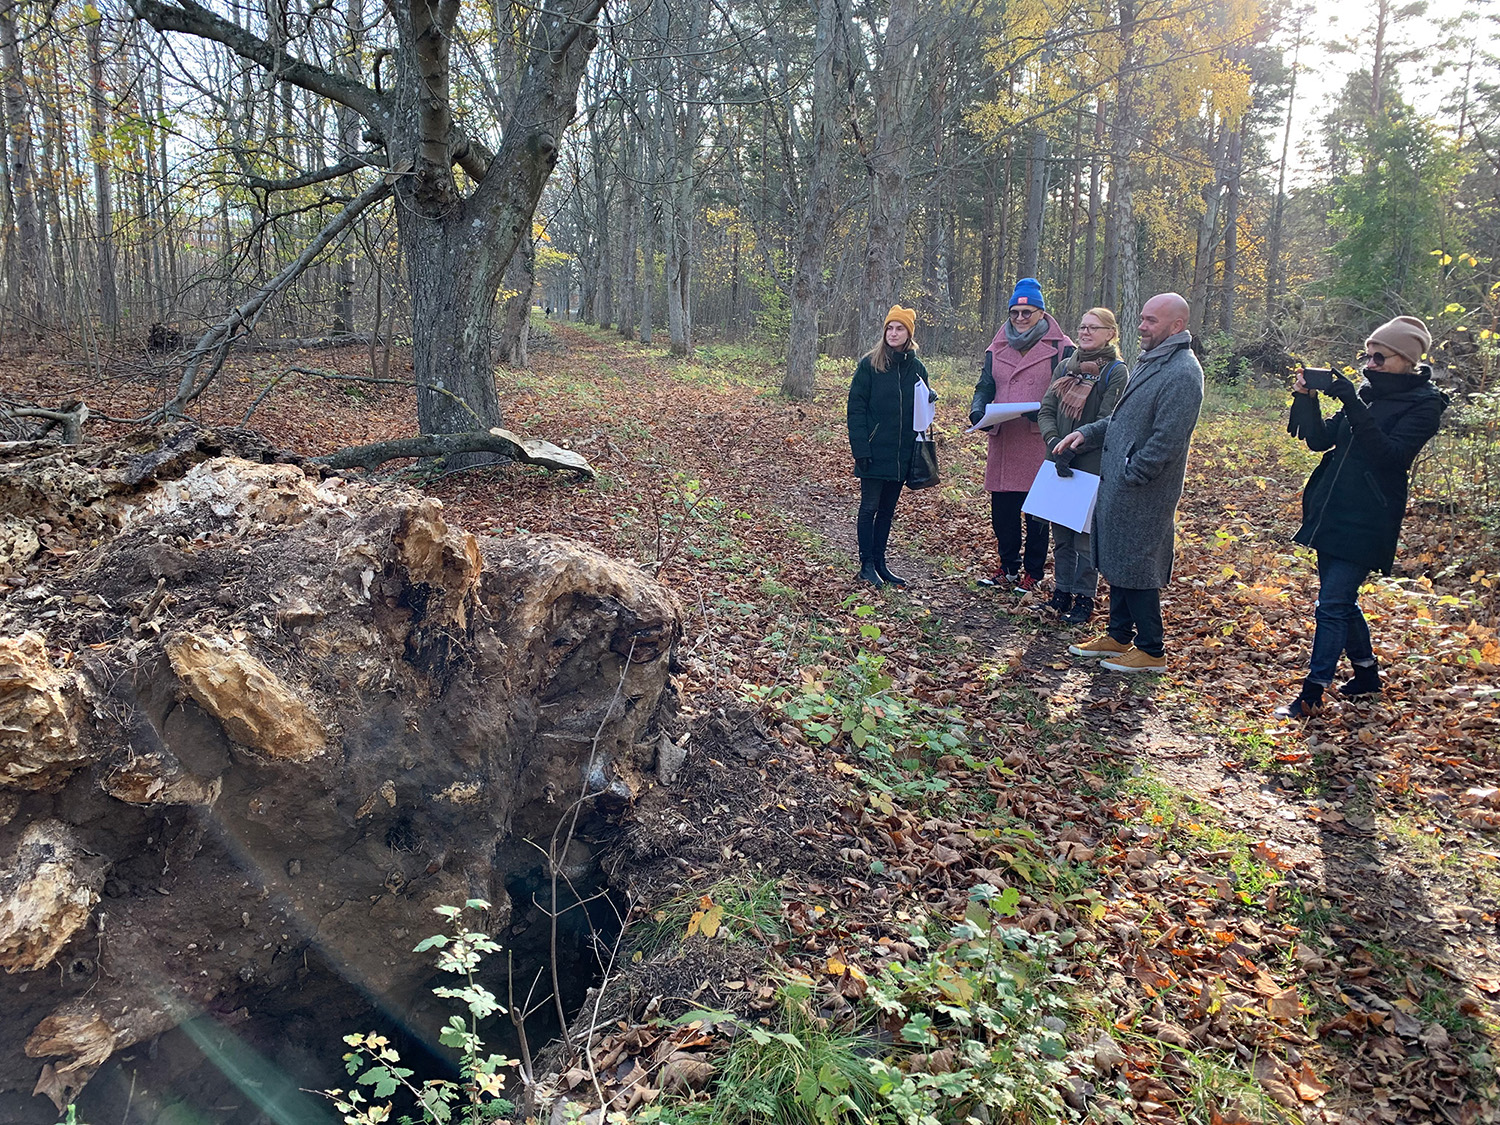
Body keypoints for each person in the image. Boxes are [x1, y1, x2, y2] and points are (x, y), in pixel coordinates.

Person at [1275, 316, 1449, 718]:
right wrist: (1307, 398)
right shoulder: (1369, 393)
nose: (1370, 364)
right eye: (1367, 356)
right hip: (1332, 509)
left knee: (1331, 604)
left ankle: (1313, 692)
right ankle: (1367, 674)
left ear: (1407, 360)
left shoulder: (1425, 406)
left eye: (1379, 357)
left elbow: (1390, 457)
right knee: (1341, 601)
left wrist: (1352, 400)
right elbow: (1320, 440)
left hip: (1370, 515)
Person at [1054, 292, 1203, 673]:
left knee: (1138, 566)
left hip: (1145, 489)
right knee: (1119, 559)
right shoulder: (1151, 362)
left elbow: (1167, 439)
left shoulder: (1183, 372)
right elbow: (1123, 422)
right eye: (1142, 318)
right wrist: (1085, 434)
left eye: (1151, 320)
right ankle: (1119, 635)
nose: (1141, 326)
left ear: (1177, 326)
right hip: (1121, 483)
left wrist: (1133, 473)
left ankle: (1151, 649)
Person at [970, 278, 1074, 591]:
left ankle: (1033, 573)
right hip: (1004, 436)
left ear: (1041, 313)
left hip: (1038, 438)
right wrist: (979, 411)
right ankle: (1007, 567)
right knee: (1003, 511)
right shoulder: (997, 345)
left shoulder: (1062, 348)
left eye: (1026, 312)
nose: (1019, 318)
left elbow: (1071, 392)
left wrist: (1043, 410)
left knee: (1037, 513)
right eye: (1014, 312)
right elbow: (986, 384)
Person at [1038, 307, 1127, 626]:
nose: (1085, 332)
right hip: (1056, 462)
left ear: (1110, 334)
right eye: (1082, 327)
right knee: (1060, 534)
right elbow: (1046, 409)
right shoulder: (1065, 366)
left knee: (1085, 538)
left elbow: (1109, 420)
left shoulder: (1115, 371)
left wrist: (1074, 447)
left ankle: (1084, 598)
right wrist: (1053, 443)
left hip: (1090, 466)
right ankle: (1061, 592)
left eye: (1093, 327)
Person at [847, 305, 935, 588]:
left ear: (909, 333)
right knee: (869, 507)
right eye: (890, 328)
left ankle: (881, 563)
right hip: (873, 451)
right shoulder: (869, 365)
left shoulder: (917, 368)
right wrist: (861, 449)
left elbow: (922, 410)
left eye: (899, 329)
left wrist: (930, 400)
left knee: (887, 511)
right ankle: (866, 565)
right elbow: (855, 409)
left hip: (902, 453)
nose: (893, 333)